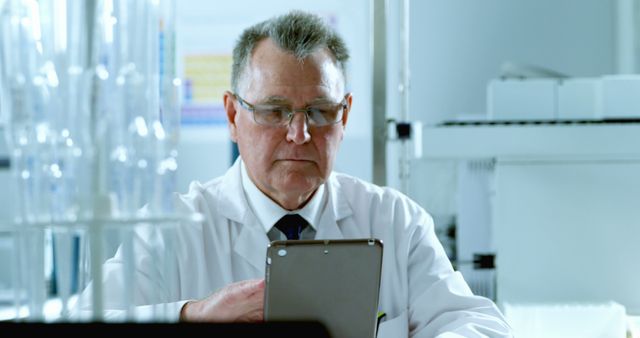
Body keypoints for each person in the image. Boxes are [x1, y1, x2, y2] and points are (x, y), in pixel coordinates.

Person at [98, 10, 513, 337]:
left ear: (345, 114)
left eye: (320, 112)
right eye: (274, 111)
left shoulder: (396, 222)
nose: (299, 134)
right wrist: (193, 316)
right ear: (231, 114)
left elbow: (481, 326)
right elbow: (84, 318)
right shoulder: (176, 230)